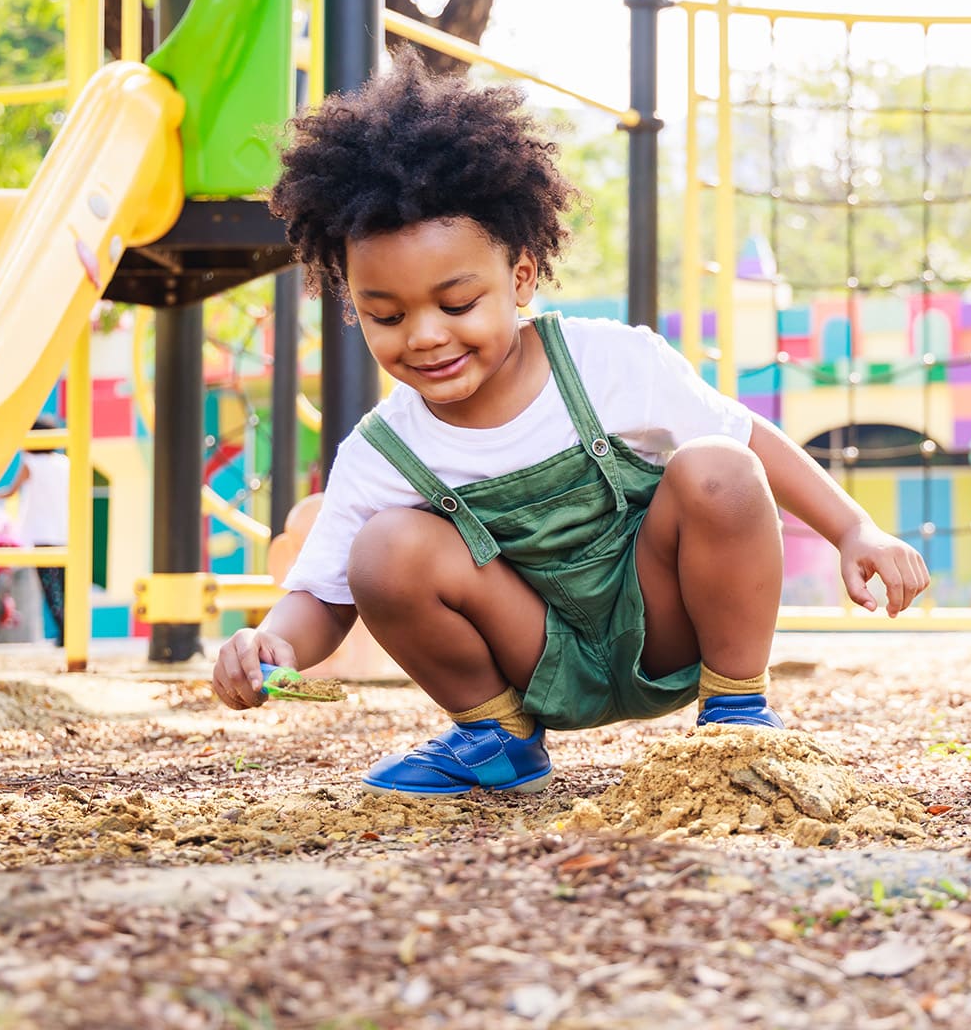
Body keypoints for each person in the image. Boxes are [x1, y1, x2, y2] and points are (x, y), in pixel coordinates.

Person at [210, 49, 931, 796]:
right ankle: (496, 737)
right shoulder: (384, 450)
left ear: (520, 278)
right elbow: (324, 594)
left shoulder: (609, 362)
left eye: (457, 305)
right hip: (532, 656)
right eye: (385, 315)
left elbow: (748, 443)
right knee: (382, 548)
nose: (424, 335)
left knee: (718, 466)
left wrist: (854, 530)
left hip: (665, 627)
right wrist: (273, 644)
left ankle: (737, 716)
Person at [0, 412, 70, 644]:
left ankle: (63, 630)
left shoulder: (31, 464)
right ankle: (70, 629)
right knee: (64, 586)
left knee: (49, 587)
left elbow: (11, 491)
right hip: (64, 531)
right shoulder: (64, 463)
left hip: (41, 531)